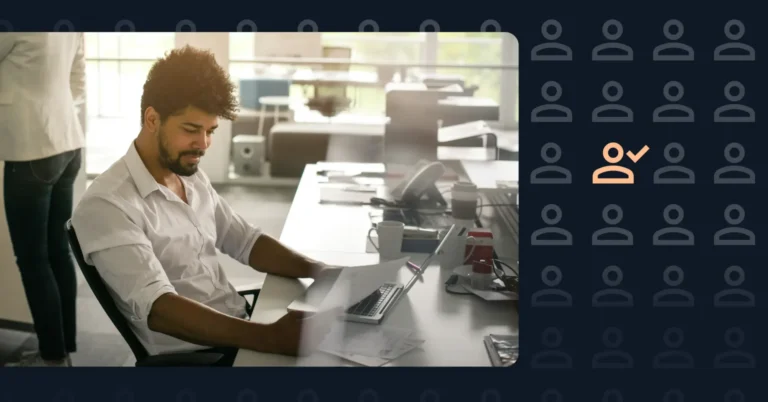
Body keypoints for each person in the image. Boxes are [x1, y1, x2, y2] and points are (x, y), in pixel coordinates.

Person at [71, 45, 336, 367]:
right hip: (201, 356)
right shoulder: (107, 205)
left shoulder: (188, 175)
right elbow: (159, 308)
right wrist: (270, 338)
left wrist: (322, 272)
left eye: (210, 131)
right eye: (191, 130)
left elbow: (246, 242)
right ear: (152, 118)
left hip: (240, 328)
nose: (204, 144)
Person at [0, 33, 87, 367]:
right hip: (66, 141)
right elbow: (77, 80)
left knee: (33, 259)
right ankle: (61, 349)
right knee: (56, 252)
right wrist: (54, 110)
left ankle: (51, 358)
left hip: (31, 148)